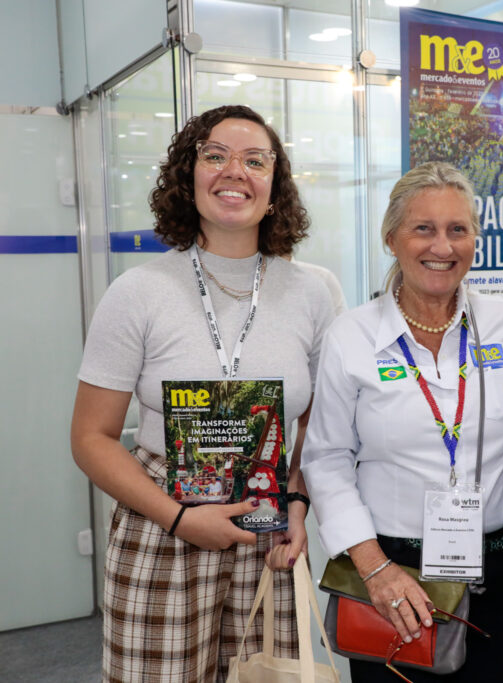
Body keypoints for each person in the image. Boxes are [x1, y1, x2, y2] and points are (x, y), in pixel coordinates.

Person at [70, 105, 334, 681]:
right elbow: (91, 438)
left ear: (275, 184)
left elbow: (318, 421)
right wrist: (178, 518)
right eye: (215, 156)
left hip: (268, 527)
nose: (234, 171)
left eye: (254, 160)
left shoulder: (313, 293)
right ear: (188, 177)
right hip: (162, 519)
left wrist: (296, 501)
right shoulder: (137, 292)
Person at [302, 162, 503, 682]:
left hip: (499, 571)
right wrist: (374, 568)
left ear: (476, 237)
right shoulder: (353, 336)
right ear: (392, 238)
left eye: (458, 229)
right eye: (423, 228)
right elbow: (326, 458)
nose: (442, 246)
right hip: (392, 576)